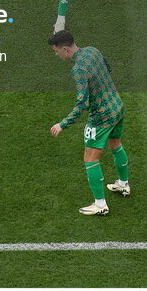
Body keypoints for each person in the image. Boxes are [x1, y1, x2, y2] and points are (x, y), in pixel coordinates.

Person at [47, 31, 130, 216]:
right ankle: (123, 184)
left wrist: (63, 124)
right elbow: (108, 68)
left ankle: (100, 205)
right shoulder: (93, 50)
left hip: (101, 117)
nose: (56, 54)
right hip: (117, 106)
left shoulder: (78, 70)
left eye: (56, 51)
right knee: (116, 146)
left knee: (90, 158)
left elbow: (82, 104)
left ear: (65, 49)